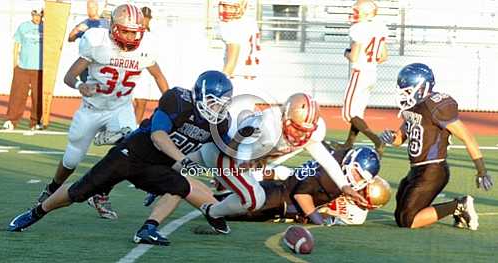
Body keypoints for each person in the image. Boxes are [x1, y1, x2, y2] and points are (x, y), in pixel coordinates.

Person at [8, 70, 234, 246]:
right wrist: (184, 163)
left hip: (158, 166)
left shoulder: (221, 122)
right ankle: (36, 212)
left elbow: (225, 150)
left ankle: (148, 229)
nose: (218, 108)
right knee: (78, 192)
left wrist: (229, 171)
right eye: (215, 102)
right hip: (131, 154)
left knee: (180, 186)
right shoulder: (177, 100)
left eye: (223, 104)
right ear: (200, 96)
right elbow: (158, 137)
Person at [35, 4, 169, 220]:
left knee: (131, 152)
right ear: (114, 28)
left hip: (120, 107)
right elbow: (69, 76)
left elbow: (159, 76)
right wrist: (80, 86)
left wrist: (170, 104)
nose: (130, 36)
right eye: (125, 30)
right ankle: (52, 188)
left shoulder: (146, 48)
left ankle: (101, 193)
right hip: (92, 109)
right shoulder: (97, 41)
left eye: (134, 31)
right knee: (72, 160)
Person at [193, 93, 368, 223]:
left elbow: (325, 158)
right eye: (297, 128)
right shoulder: (268, 127)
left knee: (177, 166)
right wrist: (230, 170)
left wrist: (344, 185)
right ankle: (213, 212)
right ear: (285, 116)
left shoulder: (313, 131)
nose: (300, 135)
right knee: (254, 198)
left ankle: (212, 208)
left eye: (305, 131)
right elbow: (238, 140)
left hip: (243, 158)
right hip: (225, 152)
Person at [380, 63, 493, 230]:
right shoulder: (412, 106)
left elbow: (467, 137)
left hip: (433, 169)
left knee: (408, 221)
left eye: (407, 90)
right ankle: (459, 211)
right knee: (400, 216)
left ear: (422, 87)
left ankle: (459, 205)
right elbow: (400, 139)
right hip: (416, 170)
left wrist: (482, 170)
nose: (403, 94)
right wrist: (391, 137)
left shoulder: (436, 106)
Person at [220, 145, 390, 226]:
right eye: (363, 191)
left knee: (236, 199)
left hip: (287, 193)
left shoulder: (341, 160)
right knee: (231, 209)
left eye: (362, 184)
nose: (357, 185)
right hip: (282, 199)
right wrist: (317, 220)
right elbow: (302, 195)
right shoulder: (331, 179)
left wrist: (325, 217)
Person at [340, 0, 388, 156]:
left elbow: (353, 56)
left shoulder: (358, 28)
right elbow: (383, 57)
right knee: (357, 113)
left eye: (357, 11)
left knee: (349, 114)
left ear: (367, 14)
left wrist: (346, 52)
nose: (354, 13)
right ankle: (348, 144)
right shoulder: (380, 27)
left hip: (359, 73)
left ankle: (377, 140)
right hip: (372, 73)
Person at [218, 0, 261, 127]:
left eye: (232, 7)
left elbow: (233, 59)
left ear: (242, 6)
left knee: (229, 126)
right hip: (250, 79)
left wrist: (221, 83)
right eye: (225, 6)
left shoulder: (232, 25)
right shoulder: (249, 22)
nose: (227, 10)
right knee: (244, 124)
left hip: (236, 80)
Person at [2, 8, 44, 131]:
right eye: (35, 15)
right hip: (23, 67)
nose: (37, 17)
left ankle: (35, 122)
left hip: (40, 69)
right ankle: (11, 121)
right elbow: (16, 44)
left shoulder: (47, 28)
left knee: (38, 96)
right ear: (31, 15)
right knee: (17, 95)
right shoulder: (23, 26)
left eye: (39, 15)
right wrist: (15, 63)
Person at [133, 6, 166, 123]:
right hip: (131, 67)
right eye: (143, 17)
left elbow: (153, 57)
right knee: (128, 101)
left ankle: (133, 126)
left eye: (147, 18)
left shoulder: (151, 36)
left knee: (141, 102)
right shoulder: (132, 31)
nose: (144, 20)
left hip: (145, 70)